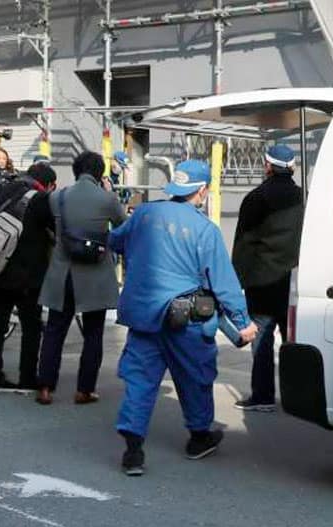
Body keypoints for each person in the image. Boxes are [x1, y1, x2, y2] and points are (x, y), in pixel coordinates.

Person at [109, 159, 257, 475]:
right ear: (202, 191)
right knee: (195, 378)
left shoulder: (145, 214)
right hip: (186, 319)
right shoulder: (205, 229)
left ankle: (133, 451)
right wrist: (243, 324)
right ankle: (199, 438)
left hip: (144, 315)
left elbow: (115, 241)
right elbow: (224, 282)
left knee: (140, 380)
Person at [37, 152, 125, 405]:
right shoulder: (107, 199)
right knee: (94, 333)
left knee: (54, 330)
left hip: (62, 271)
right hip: (94, 273)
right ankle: (84, 390)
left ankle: (45, 386)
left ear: (76, 171)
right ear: (99, 173)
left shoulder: (57, 197)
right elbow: (123, 226)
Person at [231, 144, 304, 412]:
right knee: (292, 342)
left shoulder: (255, 198)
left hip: (261, 283)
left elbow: (244, 243)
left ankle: (262, 396)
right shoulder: (304, 198)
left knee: (261, 340)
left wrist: (236, 280)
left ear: (267, 166)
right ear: (292, 167)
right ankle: (297, 398)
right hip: (294, 282)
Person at [0, 163, 57, 394]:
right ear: (49, 184)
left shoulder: (4, 191)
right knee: (31, 328)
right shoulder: (41, 199)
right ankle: (27, 379)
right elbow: (55, 230)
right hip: (28, 275)